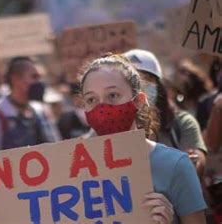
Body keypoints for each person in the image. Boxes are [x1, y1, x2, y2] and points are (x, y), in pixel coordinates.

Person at [79, 54, 206, 223]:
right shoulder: (70, 172)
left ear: (138, 101)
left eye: (113, 95)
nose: (102, 107)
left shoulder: (175, 166)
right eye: (91, 99)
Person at [0, 56, 61, 210]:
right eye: (34, 77)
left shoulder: (42, 113)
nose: (39, 82)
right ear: (15, 80)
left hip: (51, 202)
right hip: (17, 207)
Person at [125, 49, 207, 179]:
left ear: (158, 84)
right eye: (133, 81)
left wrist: (193, 163)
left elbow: (197, 164)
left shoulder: (181, 122)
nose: (141, 86)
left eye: (146, 79)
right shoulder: (112, 129)